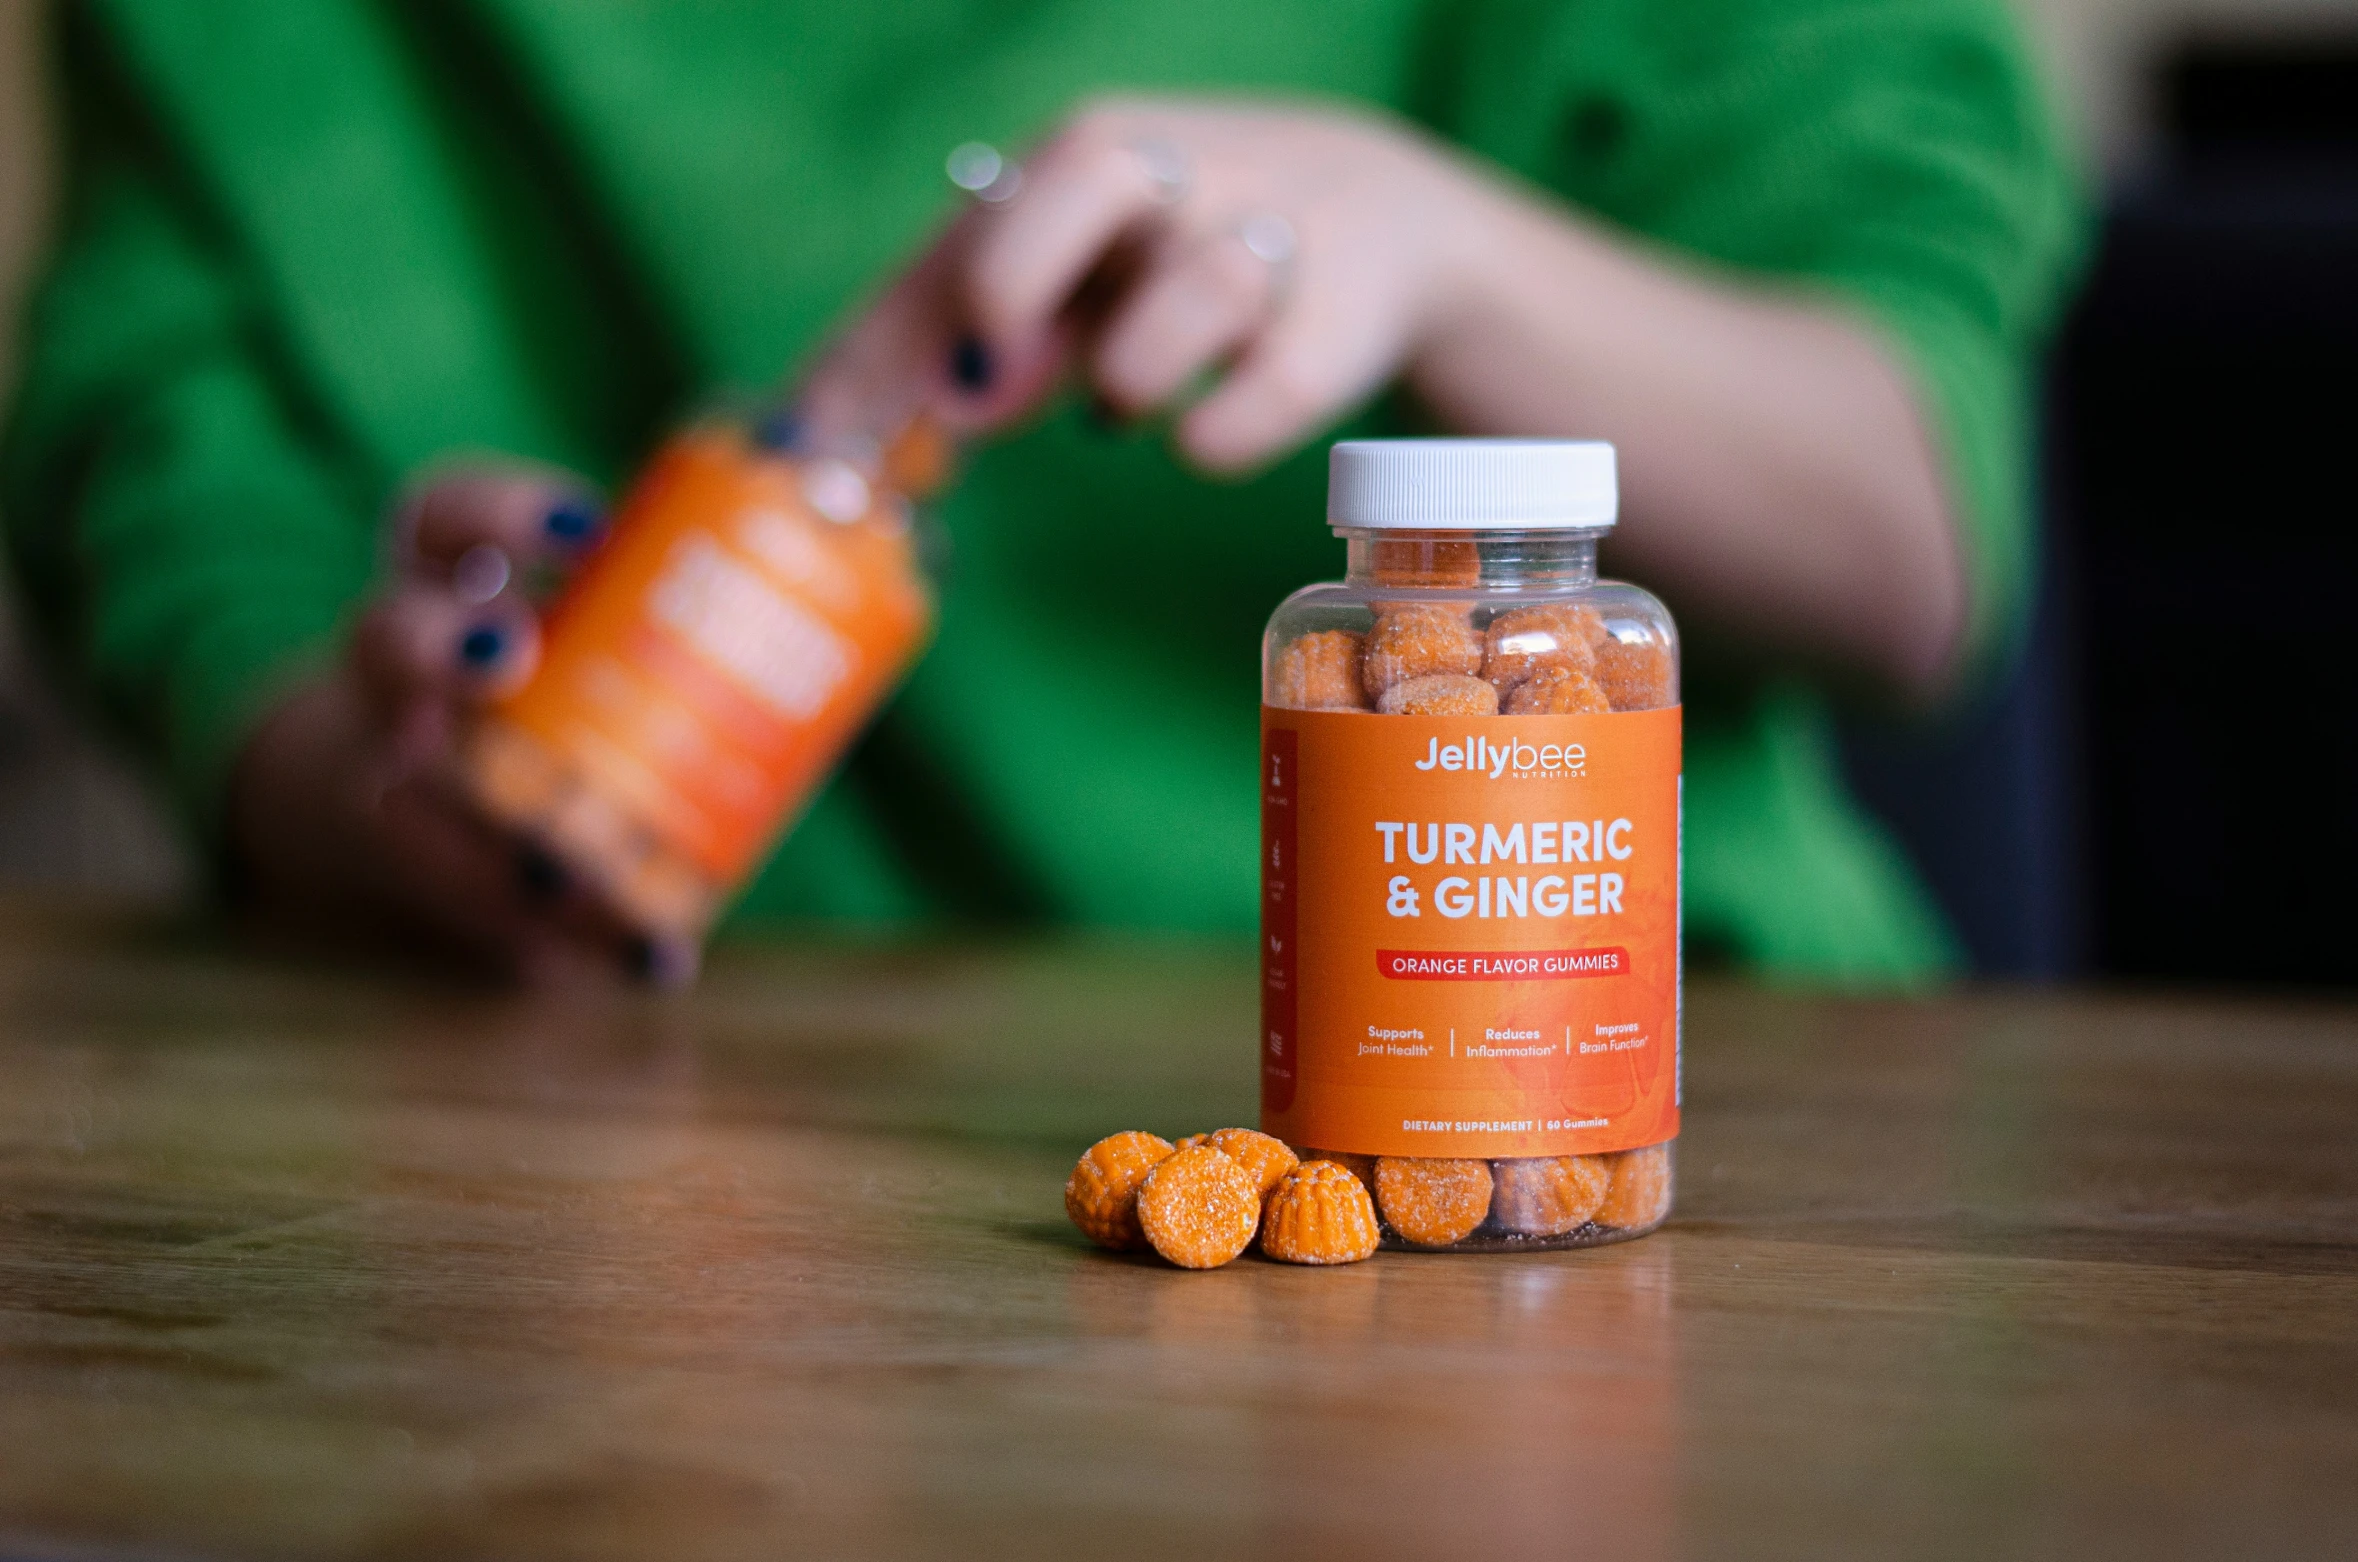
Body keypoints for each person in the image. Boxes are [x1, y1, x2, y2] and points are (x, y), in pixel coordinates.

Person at [1, 0, 2080, 985]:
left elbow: (1916, 539)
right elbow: (176, 489)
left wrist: (1448, 252)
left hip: (1695, 1090)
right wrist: (372, 771)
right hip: (618, 1133)